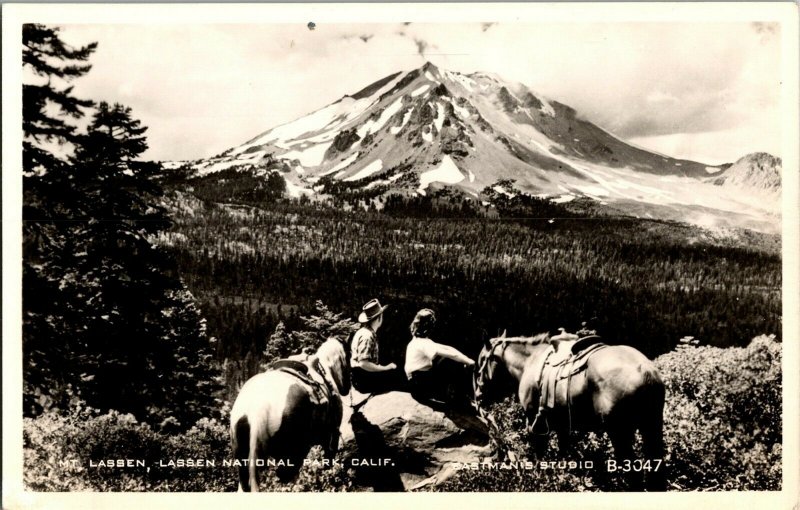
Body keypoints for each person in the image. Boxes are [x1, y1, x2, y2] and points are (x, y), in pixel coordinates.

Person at [404, 309, 476, 408]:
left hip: (416, 382)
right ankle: (460, 399)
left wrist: (467, 359)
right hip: (419, 384)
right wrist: (469, 363)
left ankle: (457, 397)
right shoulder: (423, 343)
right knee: (450, 361)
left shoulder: (417, 341)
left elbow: (448, 348)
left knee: (449, 359)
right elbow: (450, 355)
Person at [350, 298, 407, 396]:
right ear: (379, 318)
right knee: (397, 376)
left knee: (395, 371)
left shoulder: (362, 331)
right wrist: (385, 368)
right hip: (364, 381)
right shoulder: (367, 336)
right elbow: (363, 364)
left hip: (360, 377)